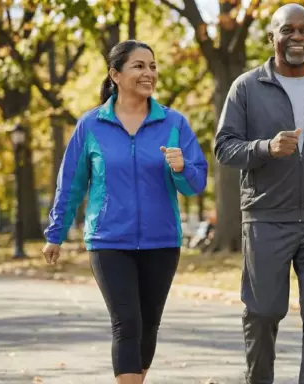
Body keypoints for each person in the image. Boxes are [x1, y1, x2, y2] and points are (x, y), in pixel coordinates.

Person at [41, 40, 208, 384]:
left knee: (149, 324)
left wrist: (181, 168)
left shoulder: (174, 123)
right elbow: (71, 183)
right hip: (108, 240)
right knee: (126, 322)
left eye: (152, 66)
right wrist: (55, 233)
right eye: (139, 66)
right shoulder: (91, 126)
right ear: (115, 75)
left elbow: (195, 184)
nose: (149, 73)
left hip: (161, 242)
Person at [212, 4, 304, 384]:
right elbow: (224, 146)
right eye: (289, 30)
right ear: (272, 37)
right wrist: (264, 148)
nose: (299, 37)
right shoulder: (246, 87)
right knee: (262, 312)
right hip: (266, 218)